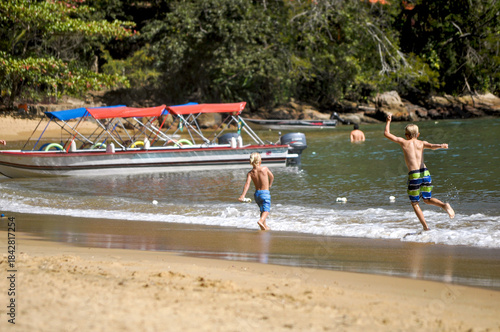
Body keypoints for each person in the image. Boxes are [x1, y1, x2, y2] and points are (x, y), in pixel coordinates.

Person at [384, 114, 454, 230]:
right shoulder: (421, 143)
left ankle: (426, 227)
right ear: (418, 134)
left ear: (406, 135)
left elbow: (387, 134)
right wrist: (441, 145)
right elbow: (432, 146)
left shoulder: (403, 142)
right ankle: (444, 205)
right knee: (427, 199)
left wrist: (388, 121)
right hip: (425, 173)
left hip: (414, 175)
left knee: (415, 203)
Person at [239, 152, 274, 230]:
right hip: (265, 193)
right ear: (260, 161)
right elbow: (272, 177)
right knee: (266, 210)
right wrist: (270, 184)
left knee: (262, 209)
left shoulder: (250, 173)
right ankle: (261, 221)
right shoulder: (264, 168)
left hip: (257, 194)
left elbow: (247, 184)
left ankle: (264, 226)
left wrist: (243, 195)